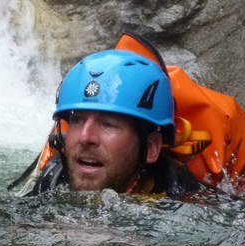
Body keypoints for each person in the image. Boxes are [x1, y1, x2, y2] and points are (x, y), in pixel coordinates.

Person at [15, 48, 214, 200]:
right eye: (77, 120)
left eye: (108, 124)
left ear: (150, 147)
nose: (85, 137)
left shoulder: (187, 202)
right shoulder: (49, 185)